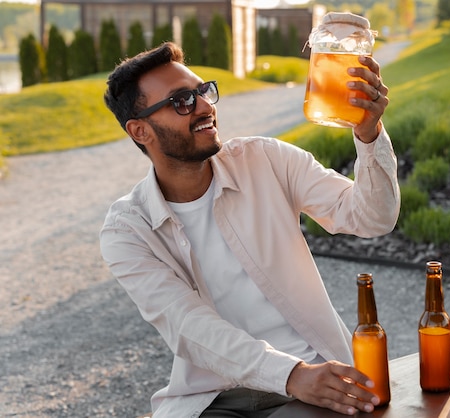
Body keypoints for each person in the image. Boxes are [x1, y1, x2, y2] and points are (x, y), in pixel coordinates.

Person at [100, 41, 400, 418]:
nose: (206, 106)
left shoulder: (266, 160)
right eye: (182, 101)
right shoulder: (127, 230)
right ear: (141, 131)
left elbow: (372, 217)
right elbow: (188, 326)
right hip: (213, 397)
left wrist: (369, 134)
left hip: (314, 380)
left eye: (202, 92)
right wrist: (289, 374)